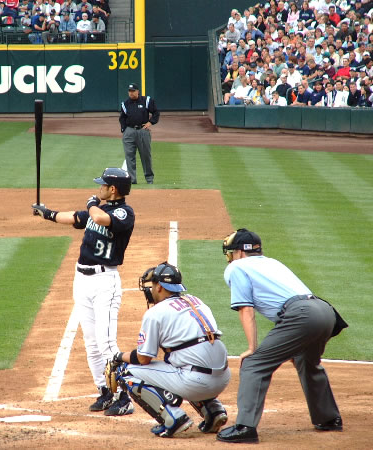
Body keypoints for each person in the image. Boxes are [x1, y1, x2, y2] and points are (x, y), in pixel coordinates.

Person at [216, 229, 347, 444]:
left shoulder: (237, 267)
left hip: (302, 315)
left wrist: (252, 348)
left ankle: (245, 427)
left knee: (254, 363)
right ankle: (329, 418)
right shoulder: (272, 263)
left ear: (240, 252)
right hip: (325, 312)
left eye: (231, 252)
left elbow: (246, 309)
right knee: (307, 362)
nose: (230, 257)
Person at [31, 168, 136, 417]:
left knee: (106, 342)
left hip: (104, 282)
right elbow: (73, 217)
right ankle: (105, 390)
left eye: (103, 185)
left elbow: (98, 218)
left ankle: (124, 396)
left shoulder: (123, 212)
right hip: (82, 280)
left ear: (113, 189)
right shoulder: (98, 210)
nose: (99, 188)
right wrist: (47, 213)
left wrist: (91, 204)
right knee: (91, 343)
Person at [109, 262, 231, 438]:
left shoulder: (155, 313)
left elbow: (143, 359)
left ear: (159, 287)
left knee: (124, 371)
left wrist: (119, 356)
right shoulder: (197, 301)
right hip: (223, 377)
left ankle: (173, 418)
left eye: (152, 285)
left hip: (195, 382)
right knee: (184, 360)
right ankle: (213, 411)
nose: (150, 290)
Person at [119, 83, 160, 185]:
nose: (131, 93)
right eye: (129, 91)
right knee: (129, 156)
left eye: (133, 91)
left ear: (138, 91)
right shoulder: (125, 104)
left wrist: (150, 122)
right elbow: (122, 118)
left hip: (142, 131)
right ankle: (132, 179)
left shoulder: (146, 101)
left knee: (145, 155)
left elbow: (156, 112)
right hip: (129, 131)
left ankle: (149, 179)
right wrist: (124, 130)